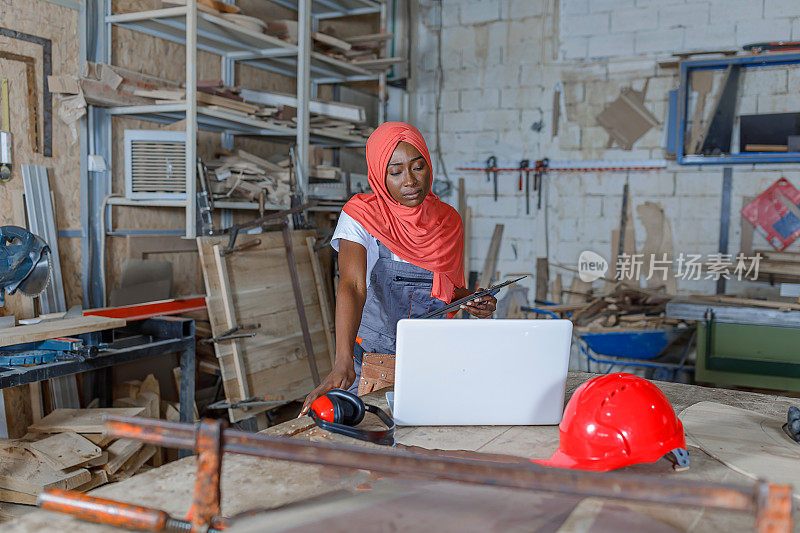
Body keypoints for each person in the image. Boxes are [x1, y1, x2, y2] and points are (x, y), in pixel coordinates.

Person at [300, 122, 496, 415]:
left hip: (429, 359)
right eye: (395, 172)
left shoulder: (447, 220)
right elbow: (353, 286)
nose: (410, 181)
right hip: (371, 362)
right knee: (364, 436)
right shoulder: (362, 216)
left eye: (418, 167)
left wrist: (471, 300)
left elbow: (445, 288)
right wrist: (342, 361)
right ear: (380, 175)